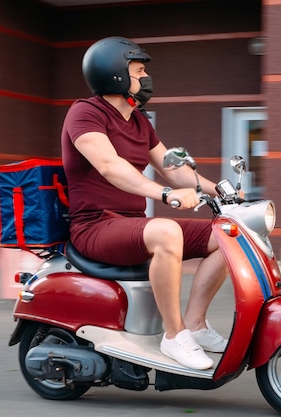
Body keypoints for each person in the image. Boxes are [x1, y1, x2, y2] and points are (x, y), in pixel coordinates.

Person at [60, 36, 228, 370]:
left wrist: (223, 194)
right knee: (166, 232)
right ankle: (174, 334)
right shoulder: (85, 114)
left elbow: (174, 169)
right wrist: (164, 195)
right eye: (138, 70)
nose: (146, 78)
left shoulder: (139, 121)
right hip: (95, 226)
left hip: (130, 224)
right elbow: (110, 166)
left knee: (228, 235)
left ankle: (195, 324)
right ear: (115, 75)